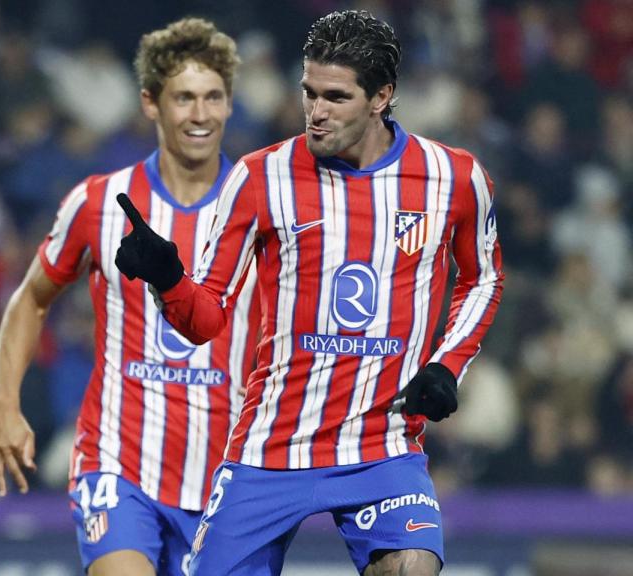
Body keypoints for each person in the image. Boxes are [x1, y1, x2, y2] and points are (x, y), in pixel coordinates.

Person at [115, 10, 504, 576]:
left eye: (336, 97)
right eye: (309, 93)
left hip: (382, 441)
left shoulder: (455, 177)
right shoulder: (259, 176)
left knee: (412, 566)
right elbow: (205, 319)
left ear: (381, 97)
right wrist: (167, 278)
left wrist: (447, 366)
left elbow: (484, 278)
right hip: (273, 445)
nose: (315, 113)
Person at [0, 18, 259, 576]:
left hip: (231, 475)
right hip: (118, 459)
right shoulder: (100, 202)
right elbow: (31, 299)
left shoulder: (265, 211)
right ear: (151, 103)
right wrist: (2, 404)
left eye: (212, 98)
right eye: (184, 98)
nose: (200, 114)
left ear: (229, 104)